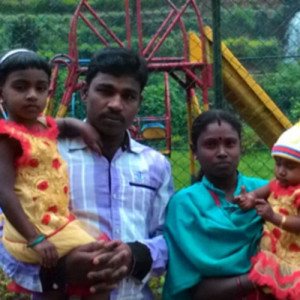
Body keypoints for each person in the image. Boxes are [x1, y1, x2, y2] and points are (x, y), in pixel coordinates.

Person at [0, 47, 174, 300]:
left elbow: (169, 238)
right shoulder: (40, 153)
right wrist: (60, 271)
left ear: (139, 102)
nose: (115, 104)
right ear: (84, 92)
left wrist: (134, 256)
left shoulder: (155, 165)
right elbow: (6, 234)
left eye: (128, 96)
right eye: (105, 91)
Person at [0, 48, 111, 300]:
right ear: (1, 93)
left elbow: (60, 124)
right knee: (98, 259)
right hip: (31, 228)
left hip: (54, 221)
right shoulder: (6, 138)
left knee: (69, 275)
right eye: (21, 87)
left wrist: (80, 125)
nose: (32, 95)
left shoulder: (41, 125)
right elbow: (4, 192)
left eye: (40, 89)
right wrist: (35, 239)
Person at [162, 109, 276, 300]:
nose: (222, 153)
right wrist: (259, 277)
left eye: (230, 144)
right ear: (194, 151)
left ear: (241, 147)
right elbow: (194, 290)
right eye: (211, 144)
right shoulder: (184, 204)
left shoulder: (267, 192)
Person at [234, 122, 300, 300]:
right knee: (266, 290)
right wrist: (249, 199)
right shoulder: (276, 183)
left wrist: (274, 217)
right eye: (278, 164)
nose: (281, 171)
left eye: (289, 166)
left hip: (294, 256)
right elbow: (258, 193)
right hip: (271, 252)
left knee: (290, 292)